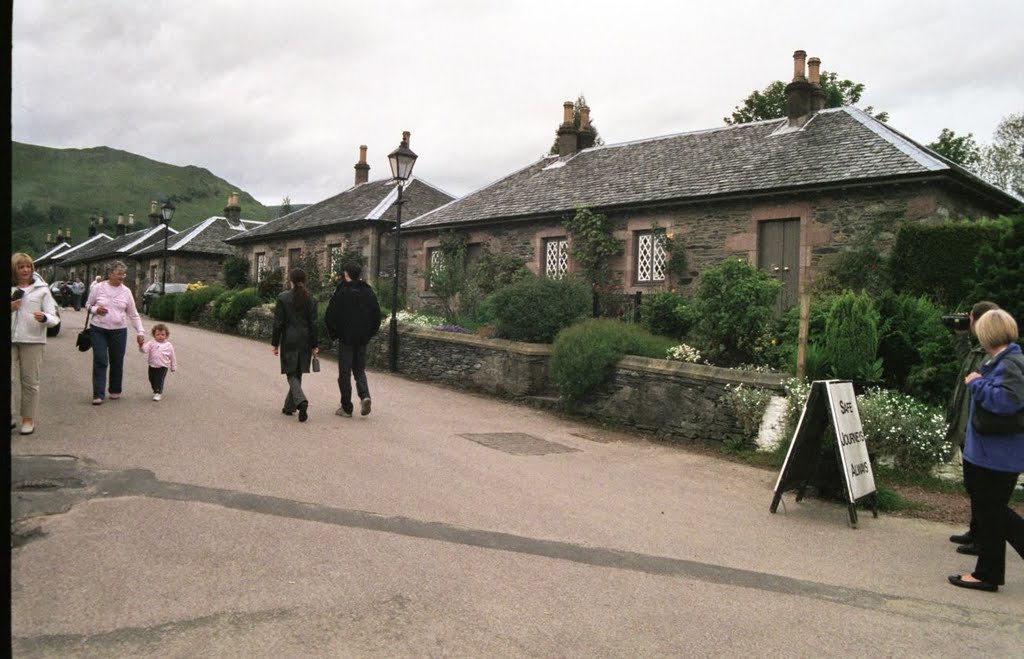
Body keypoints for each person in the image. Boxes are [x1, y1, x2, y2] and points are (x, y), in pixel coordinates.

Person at [948, 309, 1024, 592]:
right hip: (993, 451)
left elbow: (1007, 402)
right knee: (991, 514)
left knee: (992, 511)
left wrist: (976, 383)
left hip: (997, 454)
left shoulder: (1010, 363)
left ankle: (987, 573)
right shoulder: (1003, 359)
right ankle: (988, 573)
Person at [945, 301, 1000, 556]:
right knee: (972, 484)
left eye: (970, 320)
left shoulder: (992, 354)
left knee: (980, 487)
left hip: (977, 427)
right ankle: (976, 531)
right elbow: (963, 367)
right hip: (968, 425)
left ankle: (983, 538)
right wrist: (959, 338)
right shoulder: (978, 351)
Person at [10, 253, 60, 435]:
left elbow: (54, 318)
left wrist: (44, 317)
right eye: (21, 267)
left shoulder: (42, 290)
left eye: (28, 266)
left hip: (32, 340)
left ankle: (28, 419)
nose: (25, 270)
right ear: (14, 269)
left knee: (29, 381)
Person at [324, 262, 381, 418]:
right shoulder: (368, 292)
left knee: (344, 373)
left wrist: (334, 334)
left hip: (346, 338)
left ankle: (347, 407)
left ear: (346, 274)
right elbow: (377, 316)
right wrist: (370, 334)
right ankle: (364, 396)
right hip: (362, 338)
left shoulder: (342, 292)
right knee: (359, 370)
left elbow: (330, 315)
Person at [84, 261, 145, 405]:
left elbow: (133, 314)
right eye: (119, 273)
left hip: (119, 330)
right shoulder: (98, 288)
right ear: (110, 274)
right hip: (98, 328)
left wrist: (140, 331)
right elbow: (87, 304)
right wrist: (95, 310)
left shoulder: (126, 292)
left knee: (117, 361)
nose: (122, 276)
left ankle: (115, 389)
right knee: (100, 359)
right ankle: (98, 394)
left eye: (123, 274)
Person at [271, 268, 319, 422]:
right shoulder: (311, 298)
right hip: (305, 339)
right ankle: (289, 407)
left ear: (290, 279)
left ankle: (301, 401)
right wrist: (314, 344)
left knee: (291, 373)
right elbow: (313, 324)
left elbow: (278, 322)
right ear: (304, 280)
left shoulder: (283, 298)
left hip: (289, 339)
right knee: (297, 371)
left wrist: (275, 343)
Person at [139, 323, 177, 401]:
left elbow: (172, 356)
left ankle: (158, 392)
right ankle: (155, 388)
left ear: (166, 335)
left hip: (162, 366)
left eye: (163, 334)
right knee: (151, 378)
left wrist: (173, 366)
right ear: (154, 335)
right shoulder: (151, 343)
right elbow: (144, 350)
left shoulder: (168, 345)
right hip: (152, 365)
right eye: (158, 334)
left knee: (159, 379)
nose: (160, 336)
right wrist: (141, 345)